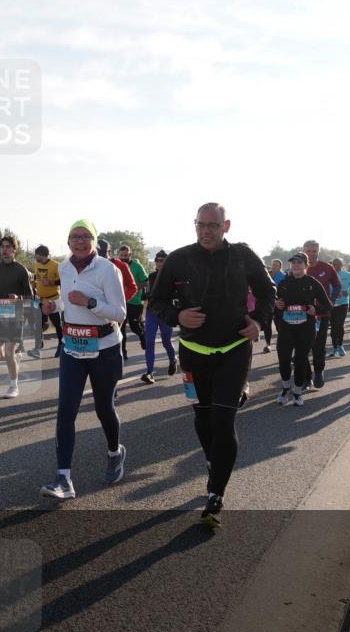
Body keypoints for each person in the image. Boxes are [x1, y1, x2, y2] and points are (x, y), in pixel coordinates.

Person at [149, 203, 275, 529]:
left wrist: (258, 321)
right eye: (200, 225)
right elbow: (156, 300)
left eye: (213, 226)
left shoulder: (244, 255)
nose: (206, 231)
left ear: (226, 226)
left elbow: (268, 291)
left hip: (234, 349)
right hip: (193, 352)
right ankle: (212, 460)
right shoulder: (178, 259)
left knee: (223, 420)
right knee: (203, 418)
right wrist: (177, 316)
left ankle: (215, 495)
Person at [40, 219, 127, 500]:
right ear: (68, 242)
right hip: (73, 347)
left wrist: (90, 303)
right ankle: (63, 477)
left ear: (94, 240)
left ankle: (115, 452)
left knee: (104, 408)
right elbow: (68, 300)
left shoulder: (107, 269)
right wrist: (55, 305)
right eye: (74, 236)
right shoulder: (64, 267)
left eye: (85, 236)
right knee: (66, 410)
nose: (79, 241)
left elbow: (120, 313)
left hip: (104, 347)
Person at [274, 253, 333, 406]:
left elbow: (327, 305)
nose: (296, 265)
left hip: (306, 329)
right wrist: (277, 305)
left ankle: (298, 392)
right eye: (293, 263)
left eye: (299, 263)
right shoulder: (283, 283)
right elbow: (277, 304)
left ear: (306, 266)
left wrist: (316, 310)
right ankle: (285, 388)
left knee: (300, 360)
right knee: (284, 359)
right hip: (287, 328)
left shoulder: (313, 283)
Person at [0, 234, 34, 399]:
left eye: (8, 247)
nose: (5, 250)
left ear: (14, 250)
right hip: (0, 314)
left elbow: (30, 296)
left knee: (8, 352)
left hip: (16, 315)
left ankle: (13, 386)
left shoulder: (21, 269)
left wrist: (18, 297)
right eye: (2, 247)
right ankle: (16, 357)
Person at [302, 240, 342, 390]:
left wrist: (331, 301)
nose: (311, 254)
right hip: (302, 314)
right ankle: (306, 377)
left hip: (322, 314)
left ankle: (318, 372)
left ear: (318, 252)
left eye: (314, 251)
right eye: (308, 251)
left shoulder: (327, 268)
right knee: (302, 347)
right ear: (304, 251)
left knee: (318, 346)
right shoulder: (298, 267)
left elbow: (337, 285)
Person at [140, 250, 177, 384]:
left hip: (165, 313)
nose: (159, 263)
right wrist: (142, 313)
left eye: (162, 261)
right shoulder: (151, 276)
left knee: (166, 341)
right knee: (149, 342)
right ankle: (149, 372)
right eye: (157, 260)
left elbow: (177, 295)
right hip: (152, 313)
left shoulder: (173, 277)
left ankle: (173, 359)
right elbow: (145, 296)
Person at [30, 244, 63, 359]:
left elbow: (63, 281)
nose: (35, 257)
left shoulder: (56, 265)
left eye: (36, 255)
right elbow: (37, 277)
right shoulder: (37, 264)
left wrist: (51, 282)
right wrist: (34, 283)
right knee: (38, 323)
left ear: (42, 255)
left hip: (52, 299)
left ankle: (61, 345)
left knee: (57, 324)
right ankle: (39, 345)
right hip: (40, 299)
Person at [117, 244, 149, 358]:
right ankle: (123, 352)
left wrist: (133, 287)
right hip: (121, 301)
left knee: (135, 326)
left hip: (135, 301)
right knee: (121, 329)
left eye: (125, 255)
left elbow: (146, 282)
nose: (123, 258)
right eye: (121, 255)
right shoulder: (116, 265)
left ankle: (142, 334)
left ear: (130, 254)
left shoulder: (137, 266)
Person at [328, 257, 350, 357]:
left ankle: (340, 345)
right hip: (331, 304)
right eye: (334, 264)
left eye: (338, 264)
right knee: (333, 327)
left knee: (339, 325)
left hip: (343, 303)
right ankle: (334, 348)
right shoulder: (328, 274)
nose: (335, 266)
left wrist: (344, 293)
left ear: (342, 264)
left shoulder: (348, 275)